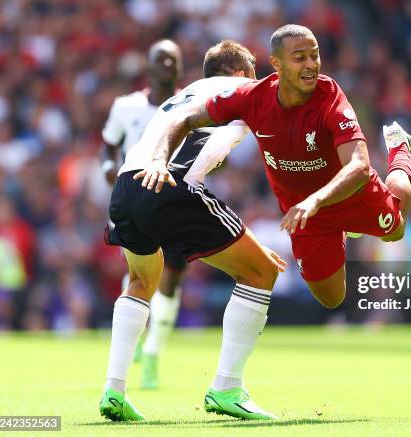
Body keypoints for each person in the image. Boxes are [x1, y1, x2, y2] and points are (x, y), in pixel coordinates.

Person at [137, 24, 411, 312]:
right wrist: (158, 160)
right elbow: (185, 119)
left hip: (346, 193)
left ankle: (400, 148)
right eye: (300, 57)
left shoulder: (329, 94)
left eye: (314, 55)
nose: (310, 65)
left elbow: (359, 165)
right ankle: (340, 230)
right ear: (276, 64)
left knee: (394, 231)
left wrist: (316, 200)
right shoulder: (253, 98)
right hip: (306, 213)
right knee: (332, 298)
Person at [99, 40, 286, 422]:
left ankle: (113, 390)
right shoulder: (239, 90)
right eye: (251, 74)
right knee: (261, 272)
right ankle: (227, 387)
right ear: (239, 74)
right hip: (169, 186)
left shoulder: (185, 94)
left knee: (140, 280)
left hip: (126, 187)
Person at [101, 39, 186, 390]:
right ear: (148, 66)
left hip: (177, 202)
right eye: (160, 59)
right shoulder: (126, 106)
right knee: (139, 273)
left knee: (170, 280)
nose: (166, 65)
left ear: (181, 68)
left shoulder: (189, 103)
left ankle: (152, 351)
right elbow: (110, 142)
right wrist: (109, 166)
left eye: (173, 60)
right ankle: (136, 337)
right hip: (136, 200)